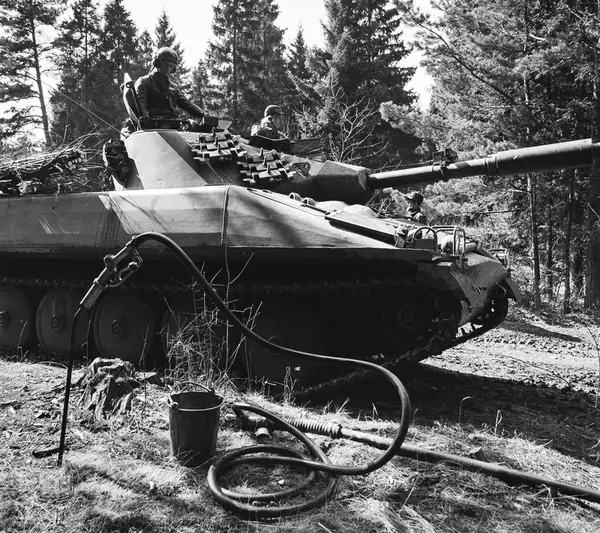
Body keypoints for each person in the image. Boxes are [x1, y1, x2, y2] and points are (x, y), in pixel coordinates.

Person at [135, 47, 206, 128]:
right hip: (152, 125)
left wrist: (204, 114)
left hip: (172, 125)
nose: (168, 68)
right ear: (158, 63)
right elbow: (140, 104)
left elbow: (187, 104)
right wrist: (145, 118)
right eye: (166, 64)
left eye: (171, 66)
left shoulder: (173, 87)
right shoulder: (144, 82)